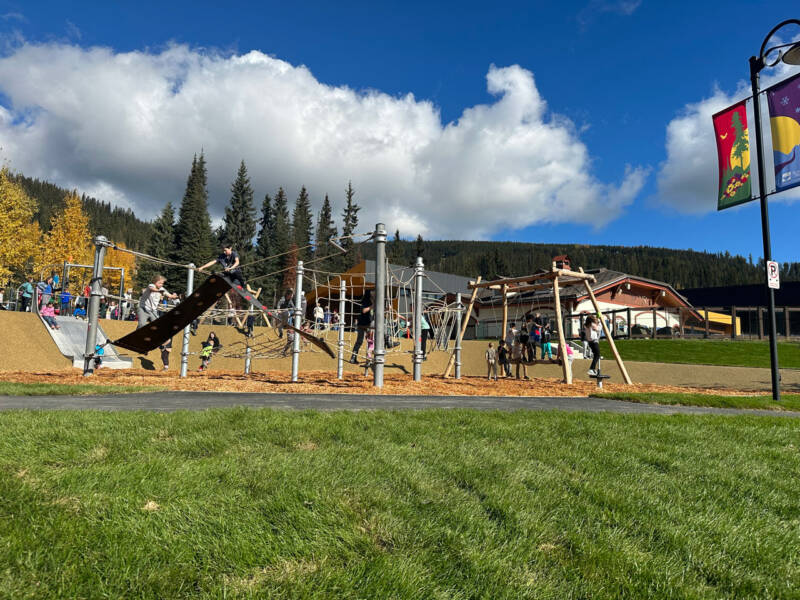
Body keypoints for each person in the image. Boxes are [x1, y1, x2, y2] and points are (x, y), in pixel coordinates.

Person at [198, 242, 246, 307]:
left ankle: (243, 286)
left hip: (235, 273)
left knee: (236, 273)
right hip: (227, 274)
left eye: (225, 250)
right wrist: (202, 267)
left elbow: (237, 262)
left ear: (230, 248)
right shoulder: (222, 256)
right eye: (223, 250)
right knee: (218, 275)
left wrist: (231, 268)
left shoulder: (234, 254)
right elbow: (212, 262)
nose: (224, 252)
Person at [350, 289, 373, 364]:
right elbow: (364, 310)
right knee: (370, 340)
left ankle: (353, 358)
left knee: (360, 341)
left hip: (363, 323)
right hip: (365, 324)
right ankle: (368, 358)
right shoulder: (366, 301)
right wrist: (372, 306)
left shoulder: (365, 301)